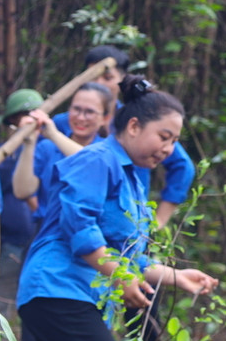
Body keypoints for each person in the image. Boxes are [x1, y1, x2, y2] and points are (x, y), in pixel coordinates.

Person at [16, 75, 218, 341]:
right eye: (164, 137)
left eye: (174, 141)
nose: (169, 149)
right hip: (56, 290)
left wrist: (177, 276)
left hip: (83, 296)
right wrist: (121, 277)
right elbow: (82, 231)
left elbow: (130, 256)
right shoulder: (96, 160)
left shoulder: (134, 179)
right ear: (134, 125)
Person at [54, 45, 196, 227]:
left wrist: (158, 222)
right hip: (75, 217)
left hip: (129, 222)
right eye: (92, 76)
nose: (99, 83)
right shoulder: (63, 123)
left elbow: (182, 166)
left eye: (107, 77)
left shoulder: (146, 120)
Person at [14, 83, 111, 220]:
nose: (81, 117)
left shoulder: (108, 150)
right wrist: (29, 143)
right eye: (76, 109)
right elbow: (22, 192)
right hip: (48, 235)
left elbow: (93, 164)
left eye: (89, 112)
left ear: (105, 118)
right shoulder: (47, 148)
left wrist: (54, 135)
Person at [0, 89, 44, 320]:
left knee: (36, 304)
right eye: (22, 115)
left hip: (39, 241)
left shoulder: (49, 151)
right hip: (8, 244)